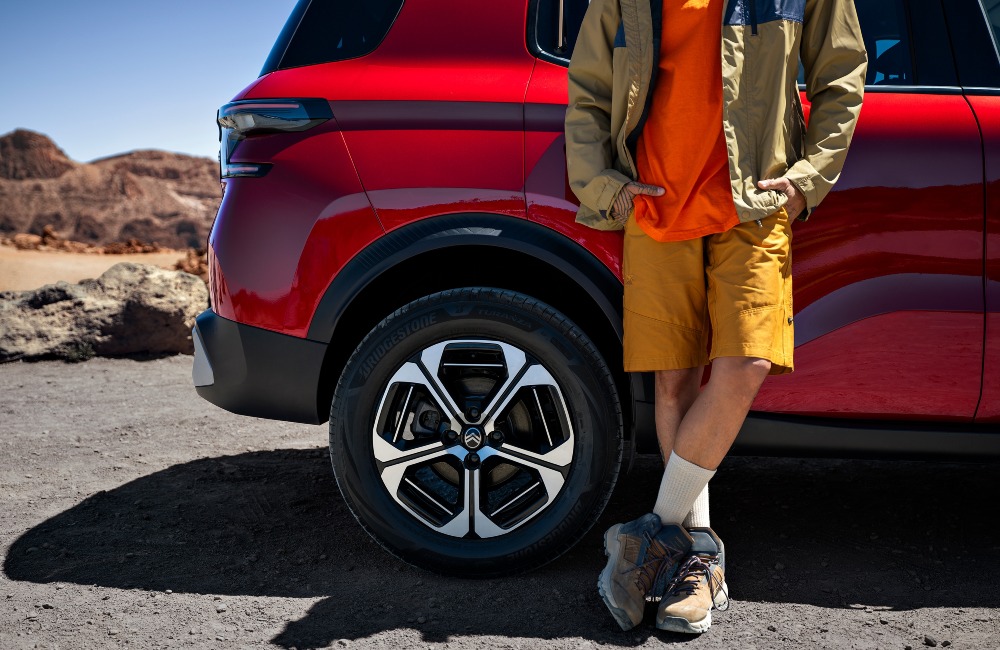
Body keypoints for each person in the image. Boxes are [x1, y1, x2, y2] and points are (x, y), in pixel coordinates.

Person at [565, 0, 867, 635]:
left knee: (747, 362)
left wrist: (809, 175)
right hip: (655, 206)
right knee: (674, 381)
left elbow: (841, 72)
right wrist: (605, 186)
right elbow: (589, 86)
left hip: (754, 204)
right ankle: (695, 563)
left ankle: (649, 537)